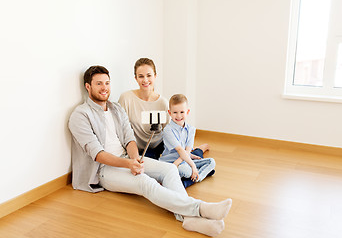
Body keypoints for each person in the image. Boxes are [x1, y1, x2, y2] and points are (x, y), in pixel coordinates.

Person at [68, 65, 232, 236]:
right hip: (103, 170)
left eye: (107, 83)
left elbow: (129, 138)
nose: (104, 88)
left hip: (127, 157)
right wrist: (128, 163)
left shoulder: (116, 108)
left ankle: (189, 219)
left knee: (169, 169)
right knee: (145, 182)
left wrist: (135, 159)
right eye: (99, 84)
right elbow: (97, 154)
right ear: (88, 87)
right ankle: (199, 208)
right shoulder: (80, 115)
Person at [119, 58, 210, 160]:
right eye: (141, 76)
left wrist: (184, 152)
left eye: (149, 75)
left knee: (184, 163)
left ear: (155, 76)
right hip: (136, 148)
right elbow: (121, 129)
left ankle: (198, 150)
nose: (145, 80)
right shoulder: (126, 98)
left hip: (160, 146)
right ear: (136, 78)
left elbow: (171, 131)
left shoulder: (163, 103)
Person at [160, 94, 216, 183]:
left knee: (211, 162)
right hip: (171, 162)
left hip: (185, 160)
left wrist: (190, 160)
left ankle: (197, 176)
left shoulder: (191, 129)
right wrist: (192, 165)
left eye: (182, 112)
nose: (178, 116)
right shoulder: (167, 130)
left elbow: (187, 151)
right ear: (170, 113)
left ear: (187, 112)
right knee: (184, 170)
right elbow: (180, 150)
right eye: (175, 112)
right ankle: (195, 173)